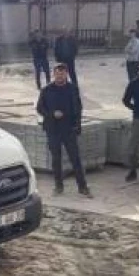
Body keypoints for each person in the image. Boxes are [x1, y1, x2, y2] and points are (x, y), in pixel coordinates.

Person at [36, 64, 91, 197]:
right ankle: (58, 186)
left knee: (75, 158)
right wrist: (51, 114)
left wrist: (78, 125)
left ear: (66, 74)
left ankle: (82, 187)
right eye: (57, 73)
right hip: (53, 129)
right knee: (56, 159)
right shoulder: (46, 90)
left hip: (69, 129)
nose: (60, 76)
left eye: (62, 73)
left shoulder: (72, 89)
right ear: (54, 74)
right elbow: (39, 108)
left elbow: (78, 108)